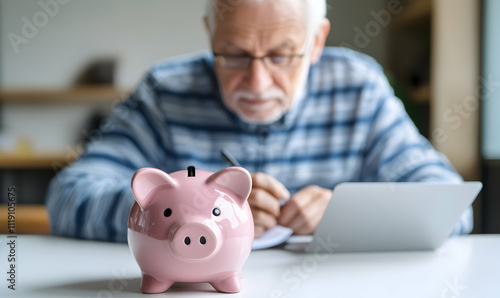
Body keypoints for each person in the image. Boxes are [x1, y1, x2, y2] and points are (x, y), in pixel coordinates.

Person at [45, 0, 472, 242]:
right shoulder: (165, 92)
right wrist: (196, 212)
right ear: (210, 35)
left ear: (317, 41)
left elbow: (449, 204)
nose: (257, 81)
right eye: (233, 54)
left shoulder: (357, 87)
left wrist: (348, 212)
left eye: (282, 55)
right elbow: (69, 196)